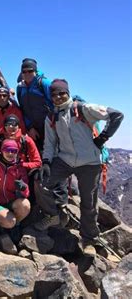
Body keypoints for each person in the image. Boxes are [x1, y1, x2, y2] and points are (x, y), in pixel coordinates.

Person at [34, 79, 123, 256]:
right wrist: (45, 162)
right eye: (54, 94)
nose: (58, 97)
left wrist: (103, 137)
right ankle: (53, 215)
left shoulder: (83, 108)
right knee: (40, 182)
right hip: (65, 160)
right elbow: (50, 143)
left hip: (90, 162)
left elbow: (117, 115)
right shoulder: (52, 116)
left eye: (62, 93)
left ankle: (89, 239)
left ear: (68, 92)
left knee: (88, 202)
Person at [0, 139, 31, 254]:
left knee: (25, 204)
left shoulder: (19, 167)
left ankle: (13, 226)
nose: (10, 154)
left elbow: (26, 193)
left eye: (14, 151)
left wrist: (24, 188)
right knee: (9, 220)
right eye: (7, 150)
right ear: (1, 150)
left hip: (10, 202)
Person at [16, 58, 53, 153]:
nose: (27, 74)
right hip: (34, 130)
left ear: (35, 71)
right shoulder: (20, 88)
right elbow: (22, 110)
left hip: (50, 127)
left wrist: (54, 123)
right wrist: (30, 128)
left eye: (30, 71)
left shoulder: (44, 83)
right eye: (24, 71)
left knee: (53, 154)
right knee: (38, 155)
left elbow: (56, 103)